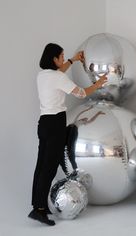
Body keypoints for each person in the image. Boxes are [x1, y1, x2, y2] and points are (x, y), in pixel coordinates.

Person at [28, 43, 107, 226]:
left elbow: (60, 72)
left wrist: (73, 59)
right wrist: (98, 84)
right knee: (48, 169)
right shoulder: (57, 77)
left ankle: (38, 205)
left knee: (41, 166)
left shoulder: (43, 75)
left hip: (44, 124)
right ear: (54, 59)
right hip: (55, 125)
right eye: (61, 57)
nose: (63, 60)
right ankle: (38, 210)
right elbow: (81, 93)